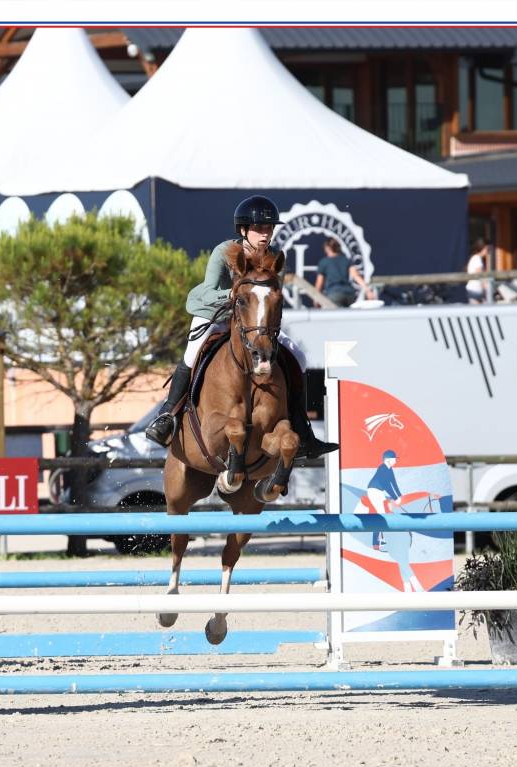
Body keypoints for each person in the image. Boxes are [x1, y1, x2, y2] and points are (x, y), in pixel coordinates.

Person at [144, 194, 338, 458]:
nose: (265, 234)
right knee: (192, 354)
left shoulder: (271, 257)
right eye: (259, 228)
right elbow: (209, 291)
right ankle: (167, 416)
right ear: (244, 230)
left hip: (251, 323)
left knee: (299, 357)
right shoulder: (223, 252)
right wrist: (234, 296)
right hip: (213, 312)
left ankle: (301, 429)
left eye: (269, 228)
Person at [314, 237, 372, 307]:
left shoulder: (324, 262)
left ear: (327, 248)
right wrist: (368, 290)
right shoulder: (346, 260)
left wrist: (316, 298)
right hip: (350, 295)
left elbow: (319, 283)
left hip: (334, 294)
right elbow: (356, 276)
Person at [365, 450, 403, 551]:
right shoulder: (382, 468)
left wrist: (400, 495)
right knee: (381, 515)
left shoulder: (390, 469)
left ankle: (379, 540)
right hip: (374, 490)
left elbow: (394, 483)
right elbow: (387, 485)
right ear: (388, 460)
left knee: (384, 513)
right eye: (394, 459)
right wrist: (395, 498)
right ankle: (377, 542)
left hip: (379, 491)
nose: (396, 461)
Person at [465, 238, 492, 304]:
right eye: (487, 249)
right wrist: (486, 289)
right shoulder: (477, 259)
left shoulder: (475, 258)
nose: (488, 251)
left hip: (475, 290)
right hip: (475, 290)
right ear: (483, 248)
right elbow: (480, 275)